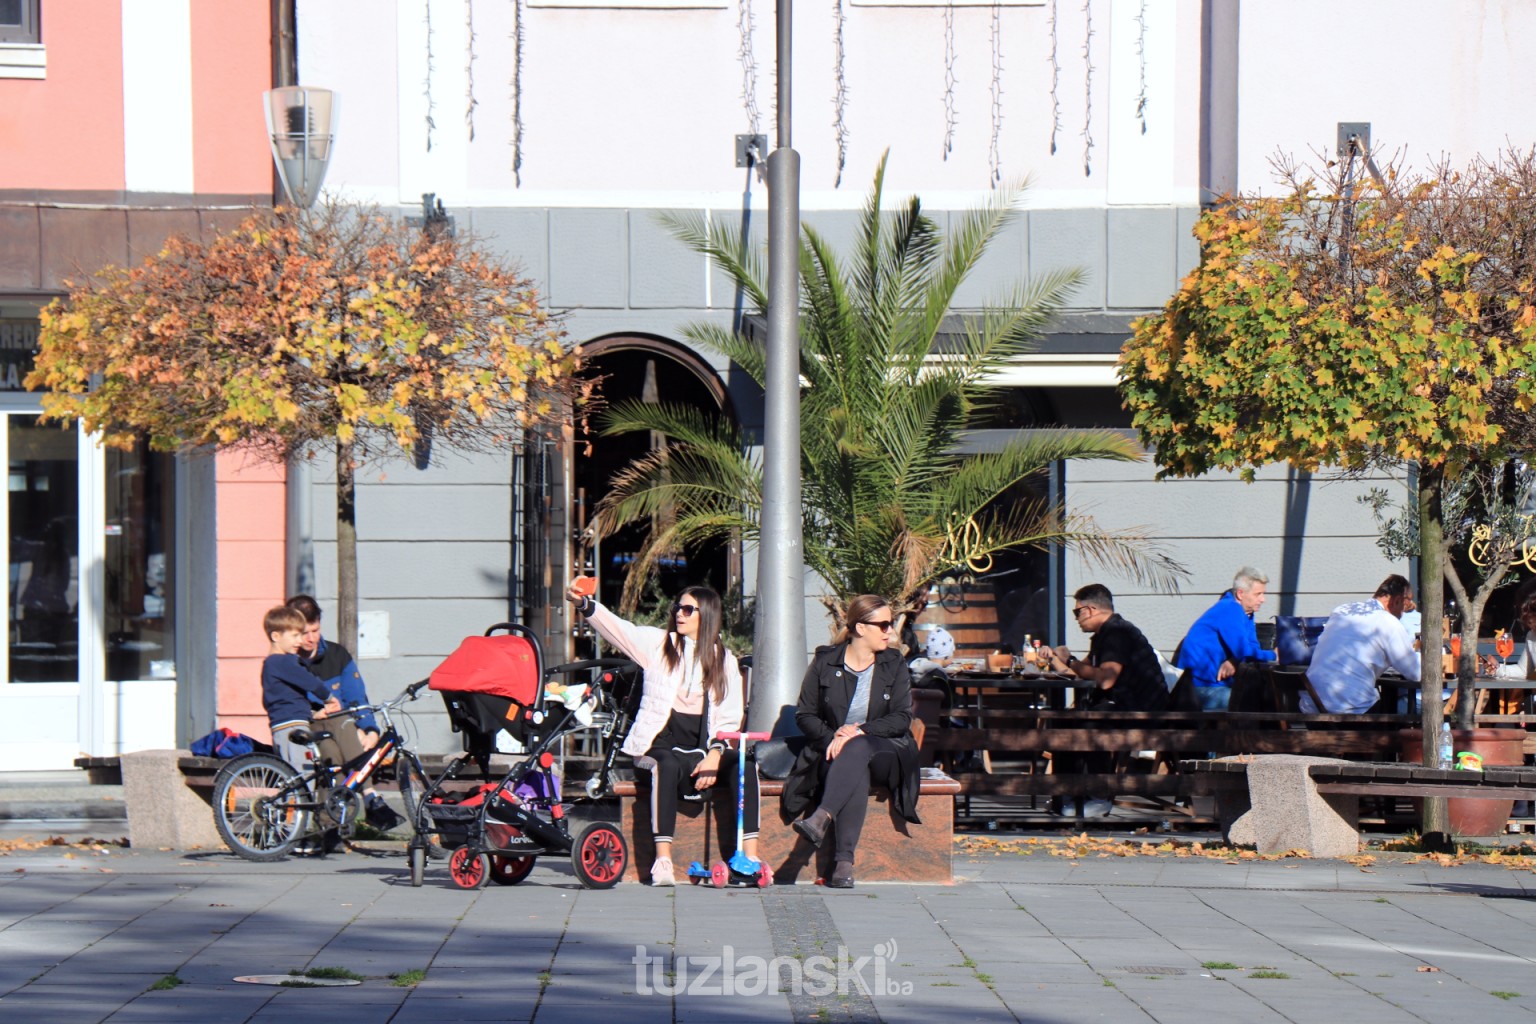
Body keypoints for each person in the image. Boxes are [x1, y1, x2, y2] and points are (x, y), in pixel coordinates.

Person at [568, 581, 758, 887]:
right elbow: (620, 629)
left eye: (687, 609)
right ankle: (663, 860)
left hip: (702, 751)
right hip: (656, 747)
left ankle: (749, 857)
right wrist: (584, 604)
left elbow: (730, 717)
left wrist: (715, 754)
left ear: (706, 615)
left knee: (745, 767)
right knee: (666, 766)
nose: (679, 614)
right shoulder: (658, 645)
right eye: (677, 608)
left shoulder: (725, 661)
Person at [782, 594, 920, 890]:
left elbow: (901, 718)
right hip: (836, 754)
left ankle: (821, 818)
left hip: (888, 751)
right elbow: (805, 714)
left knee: (858, 746)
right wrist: (833, 736)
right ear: (860, 628)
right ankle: (843, 865)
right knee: (855, 764)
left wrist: (859, 731)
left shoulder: (893, 663)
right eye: (883, 625)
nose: (891, 632)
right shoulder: (825, 661)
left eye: (891, 624)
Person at [260, 605, 402, 833]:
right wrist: (327, 698)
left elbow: (356, 695)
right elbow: (307, 685)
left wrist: (368, 728)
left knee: (341, 722)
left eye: (313, 631)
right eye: (299, 634)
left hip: (314, 722)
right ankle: (354, 806)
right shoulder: (287, 661)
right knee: (309, 772)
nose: (307, 639)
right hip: (303, 726)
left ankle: (328, 824)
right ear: (278, 636)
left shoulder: (335, 655)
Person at [1040, 584, 1167, 817]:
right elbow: (1082, 670)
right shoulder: (1104, 634)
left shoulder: (1118, 633)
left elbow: (1106, 680)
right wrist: (1058, 659)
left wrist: (1069, 661)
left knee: (1089, 724)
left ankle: (1097, 798)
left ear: (1090, 609)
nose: (1077, 618)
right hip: (1121, 708)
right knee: (1065, 722)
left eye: (1077, 612)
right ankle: (1067, 797)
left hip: (1142, 714)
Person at [1299, 574, 1422, 714]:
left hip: (1311, 710)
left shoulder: (1342, 610)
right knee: (1398, 719)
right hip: (1351, 714)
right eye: (1404, 607)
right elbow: (1416, 672)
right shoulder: (1388, 622)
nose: (1403, 614)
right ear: (1397, 600)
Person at [1174, 567, 1278, 711]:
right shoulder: (1230, 609)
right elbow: (1245, 651)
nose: (1263, 599)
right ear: (1240, 594)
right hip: (1198, 690)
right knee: (1257, 705)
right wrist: (1274, 655)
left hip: (1212, 687)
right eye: (1258, 594)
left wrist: (1235, 660)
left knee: (1263, 697)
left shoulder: (1246, 615)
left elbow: (1252, 647)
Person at [286, 595, 378, 750]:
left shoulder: (338, 655)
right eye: (304, 633)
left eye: (315, 630)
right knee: (331, 749)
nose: (311, 638)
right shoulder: (286, 664)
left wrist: (370, 731)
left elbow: (356, 699)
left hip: (346, 728)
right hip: (310, 733)